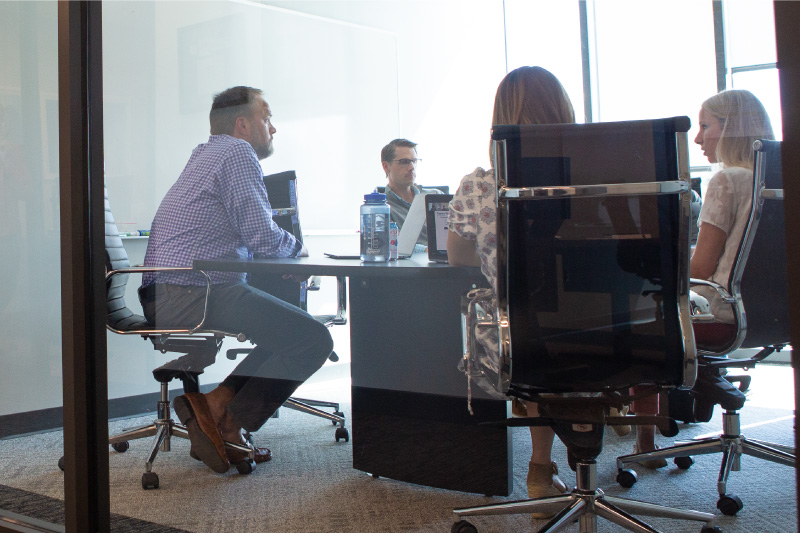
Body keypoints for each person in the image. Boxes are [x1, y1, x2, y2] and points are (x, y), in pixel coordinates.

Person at [139, 86, 334, 474]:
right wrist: (298, 250)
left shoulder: (205, 153)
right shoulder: (237, 152)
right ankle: (230, 420)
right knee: (314, 338)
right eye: (267, 117)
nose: (273, 128)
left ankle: (216, 406)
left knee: (291, 330)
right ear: (243, 125)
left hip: (169, 290)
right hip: (191, 291)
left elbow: (245, 237)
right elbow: (263, 237)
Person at [447, 66, 575, 516]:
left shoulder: (478, 185)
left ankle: (540, 471)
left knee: (535, 336)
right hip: (611, 326)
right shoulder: (600, 173)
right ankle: (583, 437)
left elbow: (457, 258)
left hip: (514, 334)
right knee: (565, 336)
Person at [632, 89, 774, 463]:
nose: (697, 138)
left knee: (640, 317)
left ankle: (645, 439)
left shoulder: (727, 180)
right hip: (770, 313)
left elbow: (702, 268)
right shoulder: (772, 183)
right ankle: (700, 386)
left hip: (720, 311)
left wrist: (654, 265)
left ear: (730, 128)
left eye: (705, 126)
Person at [380, 138, 441, 247]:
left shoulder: (436, 196)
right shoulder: (382, 208)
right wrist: (429, 251)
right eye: (404, 162)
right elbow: (394, 245)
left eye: (414, 161)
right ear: (386, 167)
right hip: (409, 263)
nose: (412, 167)